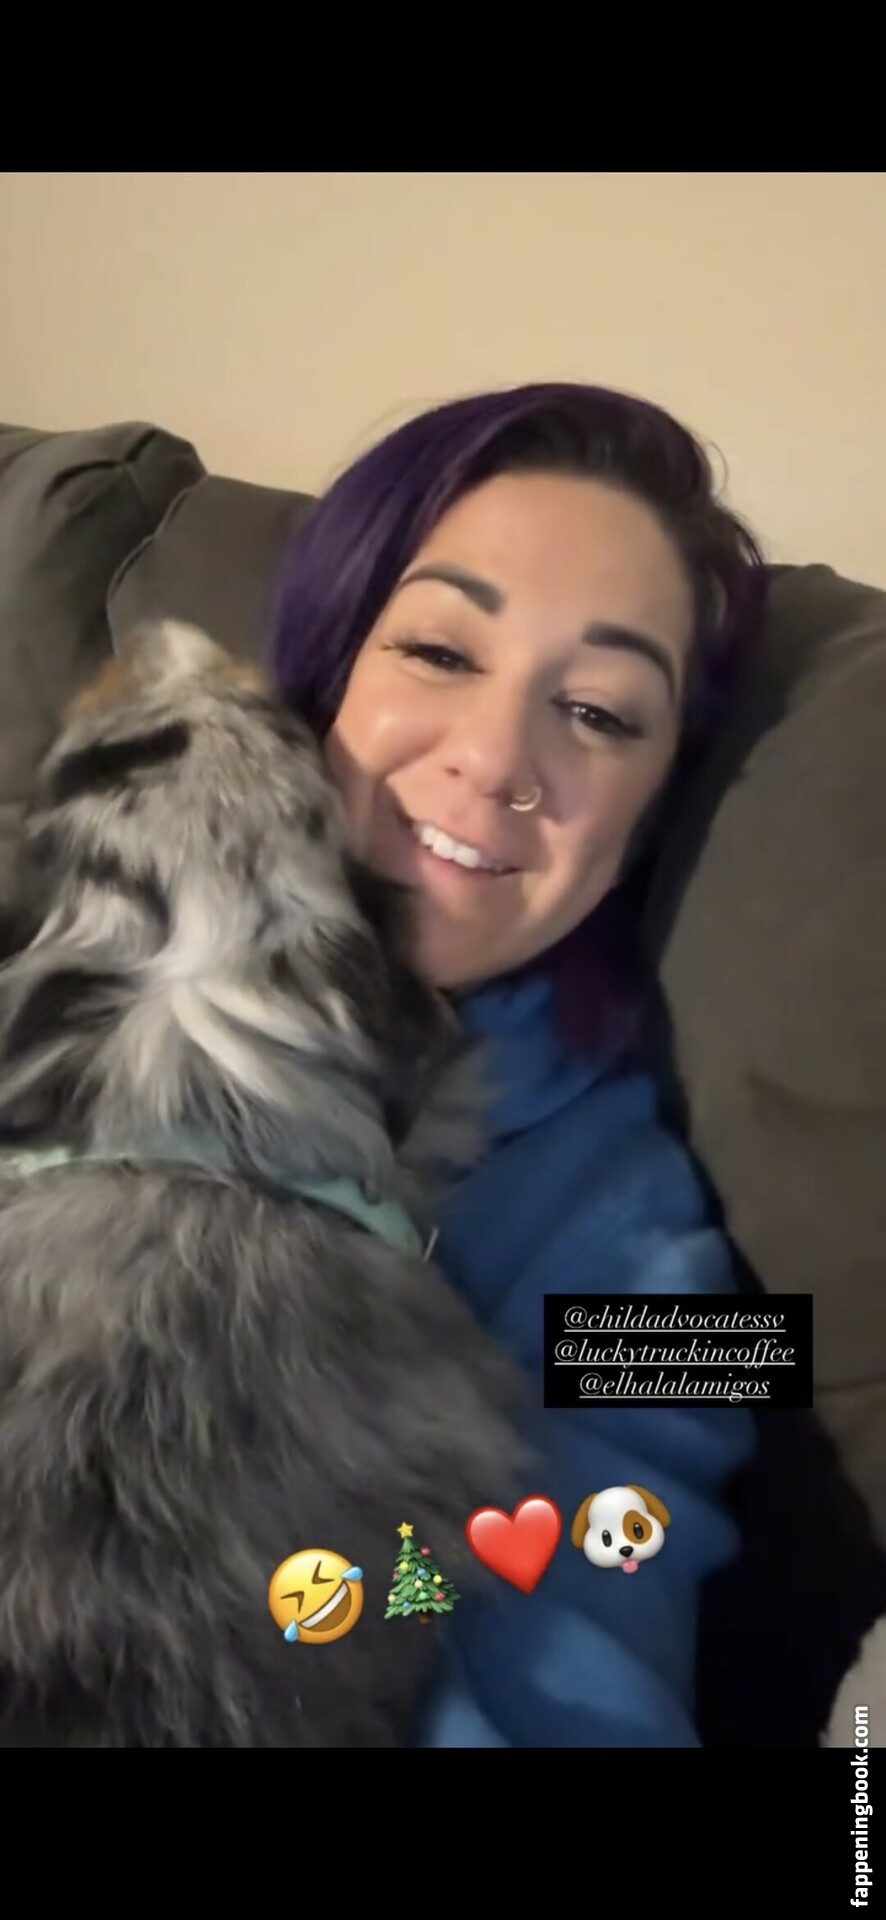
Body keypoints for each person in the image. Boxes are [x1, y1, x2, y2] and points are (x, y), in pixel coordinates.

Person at [269, 382, 768, 1747]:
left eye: (598, 713)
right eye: (440, 651)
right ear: (325, 672)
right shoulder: (67, 964)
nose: (494, 761)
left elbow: (596, 1632)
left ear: (652, 807)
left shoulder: (645, 1243)